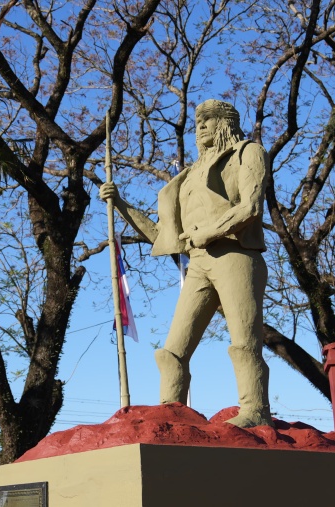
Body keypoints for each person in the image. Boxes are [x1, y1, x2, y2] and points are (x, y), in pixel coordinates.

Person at [100, 99, 272, 428]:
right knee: (173, 349)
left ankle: (256, 410)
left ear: (227, 122)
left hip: (236, 255)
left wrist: (206, 233)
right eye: (197, 122)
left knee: (244, 340)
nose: (201, 126)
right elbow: (165, 236)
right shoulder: (186, 178)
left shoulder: (247, 152)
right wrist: (120, 204)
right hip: (198, 264)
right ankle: (172, 412)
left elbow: (250, 208)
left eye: (208, 119)